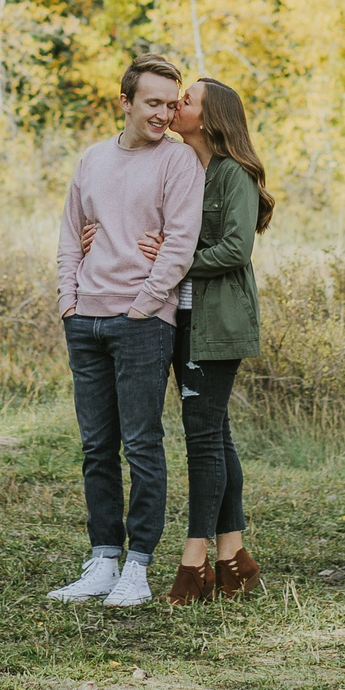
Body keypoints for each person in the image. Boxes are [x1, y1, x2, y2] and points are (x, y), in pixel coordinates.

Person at [83, 75, 274, 604]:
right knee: (216, 435)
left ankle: (195, 562)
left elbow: (235, 250)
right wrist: (101, 236)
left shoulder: (233, 173)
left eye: (185, 101)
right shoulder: (184, 165)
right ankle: (234, 558)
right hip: (180, 318)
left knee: (203, 438)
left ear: (209, 119)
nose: (174, 107)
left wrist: (174, 260)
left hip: (218, 323)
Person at [46, 54, 204, 607]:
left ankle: (138, 568)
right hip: (85, 319)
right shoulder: (92, 158)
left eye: (170, 104)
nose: (163, 113)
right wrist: (68, 301)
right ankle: (103, 560)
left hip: (141, 324)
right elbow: (70, 234)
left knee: (141, 445)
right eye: (152, 103)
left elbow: (180, 243)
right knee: (96, 447)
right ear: (125, 103)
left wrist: (145, 305)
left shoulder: (179, 162)